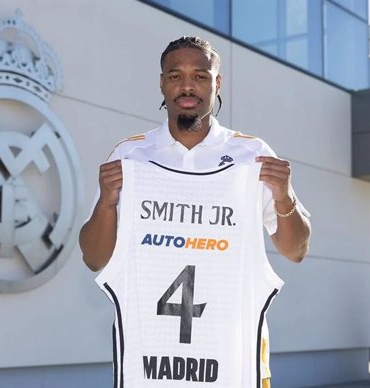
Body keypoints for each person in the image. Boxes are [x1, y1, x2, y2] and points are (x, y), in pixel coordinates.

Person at [79, 36, 311, 388]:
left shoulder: (252, 155)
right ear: (162, 83)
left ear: (217, 83)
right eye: (175, 76)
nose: (187, 85)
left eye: (200, 76)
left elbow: (296, 251)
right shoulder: (130, 157)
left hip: (234, 361)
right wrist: (107, 201)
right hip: (151, 364)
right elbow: (95, 259)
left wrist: (284, 195)